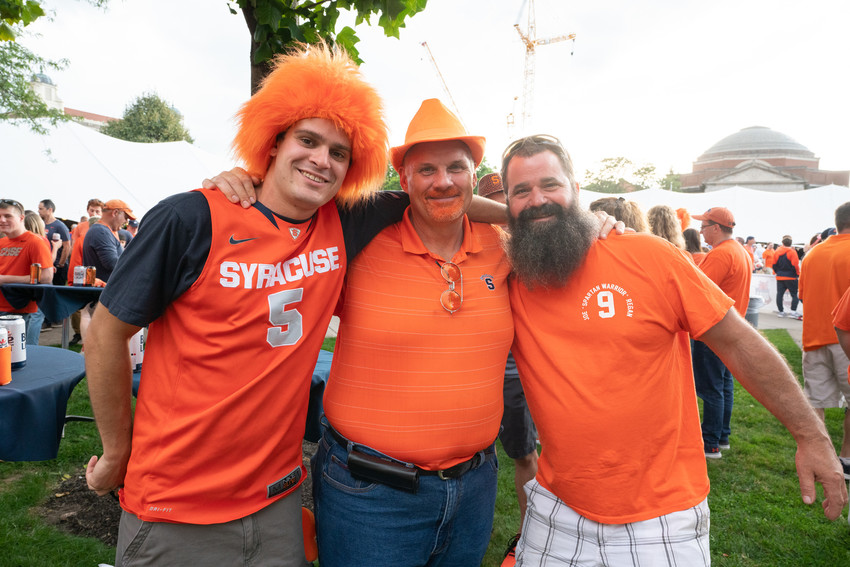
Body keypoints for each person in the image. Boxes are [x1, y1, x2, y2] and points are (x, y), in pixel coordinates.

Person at [84, 44, 405, 566]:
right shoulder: (191, 217)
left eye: (339, 152)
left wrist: (534, 210)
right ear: (274, 141)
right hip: (176, 505)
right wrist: (117, 451)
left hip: (276, 503)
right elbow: (103, 334)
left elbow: (443, 194)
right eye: (308, 140)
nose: (321, 159)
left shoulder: (342, 221)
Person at [498, 135, 846, 566]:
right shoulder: (508, 275)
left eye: (550, 186)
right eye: (520, 192)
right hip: (558, 507)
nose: (537, 200)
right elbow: (443, 211)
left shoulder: (647, 256)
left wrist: (810, 434)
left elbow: (738, 342)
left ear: (575, 190)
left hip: (662, 515)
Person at [475, 172, 540, 564]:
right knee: (472, 458)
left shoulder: (532, 244)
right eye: (495, 202)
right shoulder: (473, 240)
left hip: (515, 371)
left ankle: (528, 533)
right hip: (474, 368)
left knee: (523, 454)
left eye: (508, 201)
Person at [691, 207, 753, 458]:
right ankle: (721, 436)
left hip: (713, 329)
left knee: (711, 388)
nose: (701, 231)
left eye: (703, 226)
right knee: (724, 385)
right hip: (730, 327)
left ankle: (711, 443)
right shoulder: (739, 250)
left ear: (716, 227)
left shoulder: (720, 254)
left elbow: (699, 289)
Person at [798, 202, 850, 479]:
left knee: (816, 402)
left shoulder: (813, 254)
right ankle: (846, 459)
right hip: (846, 339)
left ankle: (822, 457)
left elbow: (803, 296)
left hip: (814, 336)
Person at [0, 199, 54, 344]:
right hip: (4, 307)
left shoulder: (35, 242)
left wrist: (4, 279)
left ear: (21, 218)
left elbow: (46, 277)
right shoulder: (2, 242)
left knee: (18, 358)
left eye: (7, 216)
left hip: (18, 311)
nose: (2, 220)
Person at [82, 199, 135, 283]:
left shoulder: (103, 230)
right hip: (104, 291)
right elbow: (112, 264)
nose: (126, 222)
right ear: (115, 213)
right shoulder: (101, 231)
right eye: (126, 218)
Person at [37, 199, 71, 287]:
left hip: (57, 265)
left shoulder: (60, 226)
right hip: (46, 264)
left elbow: (67, 246)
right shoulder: (41, 224)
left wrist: (60, 264)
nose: (38, 211)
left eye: (41, 209)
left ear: (50, 210)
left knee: (56, 291)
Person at [773, 235, 801, 318]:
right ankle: (793, 312)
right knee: (794, 294)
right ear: (791, 243)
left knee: (780, 294)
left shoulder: (777, 251)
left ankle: (781, 311)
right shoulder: (792, 252)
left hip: (780, 276)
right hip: (791, 277)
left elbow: (774, 264)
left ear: (782, 243)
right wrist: (797, 274)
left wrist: (777, 272)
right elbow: (795, 265)